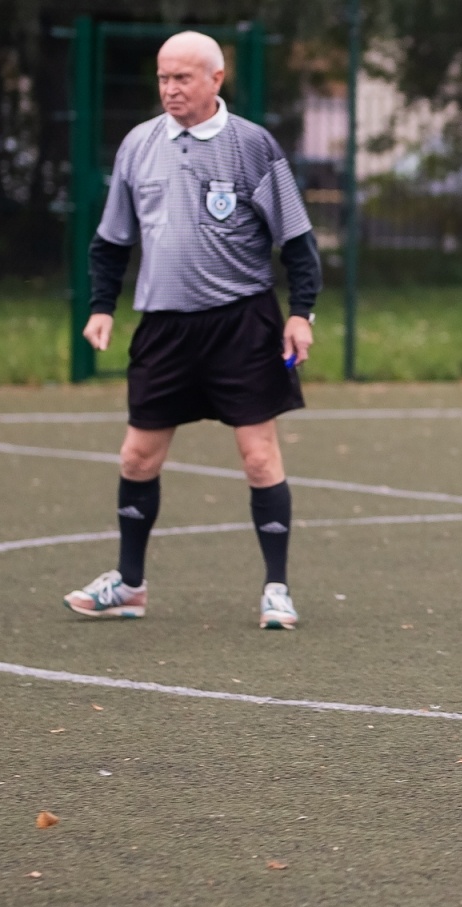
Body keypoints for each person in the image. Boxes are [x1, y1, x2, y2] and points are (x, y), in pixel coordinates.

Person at [61, 31, 320, 630]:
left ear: (215, 79)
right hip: (164, 329)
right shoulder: (138, 145)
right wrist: (102, 306)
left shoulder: (253, 146)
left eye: (182, 78)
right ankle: (128, 584)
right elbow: (110, 241)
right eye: (162, 78)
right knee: (137, 455)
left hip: (242, 324)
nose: (170, 90)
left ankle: (276, 589)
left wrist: (301, 314)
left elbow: (299, 244)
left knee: (259, 457)